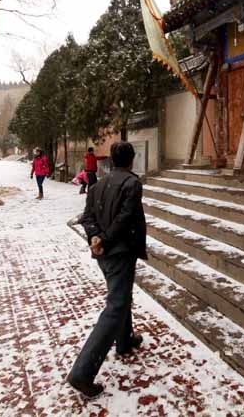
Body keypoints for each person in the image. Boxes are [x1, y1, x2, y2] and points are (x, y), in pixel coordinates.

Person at [67, 141, 146, 399]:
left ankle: (124, 340)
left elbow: (87, 217)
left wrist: (95, 237)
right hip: (119, 251)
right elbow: (125, 218)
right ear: (131, 159)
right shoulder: (132, 183)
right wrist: (104, 239)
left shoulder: (98, 185)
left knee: (121, 295)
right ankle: (82, 373)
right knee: (116, 305)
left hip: (103, 253)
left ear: (111, 159)